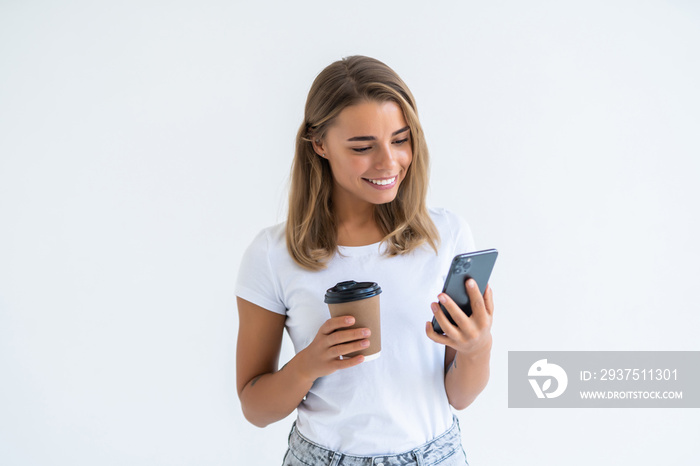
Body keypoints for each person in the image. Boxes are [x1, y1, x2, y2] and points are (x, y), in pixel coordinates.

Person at [235, 55, 494, 466]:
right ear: (318, 144)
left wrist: (478, 347)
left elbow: (459, 397)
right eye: (362, 146)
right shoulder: (273, 254)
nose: (388, 162)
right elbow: (255, 407)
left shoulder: (446, 237)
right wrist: (308, 364)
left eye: (400, 139)